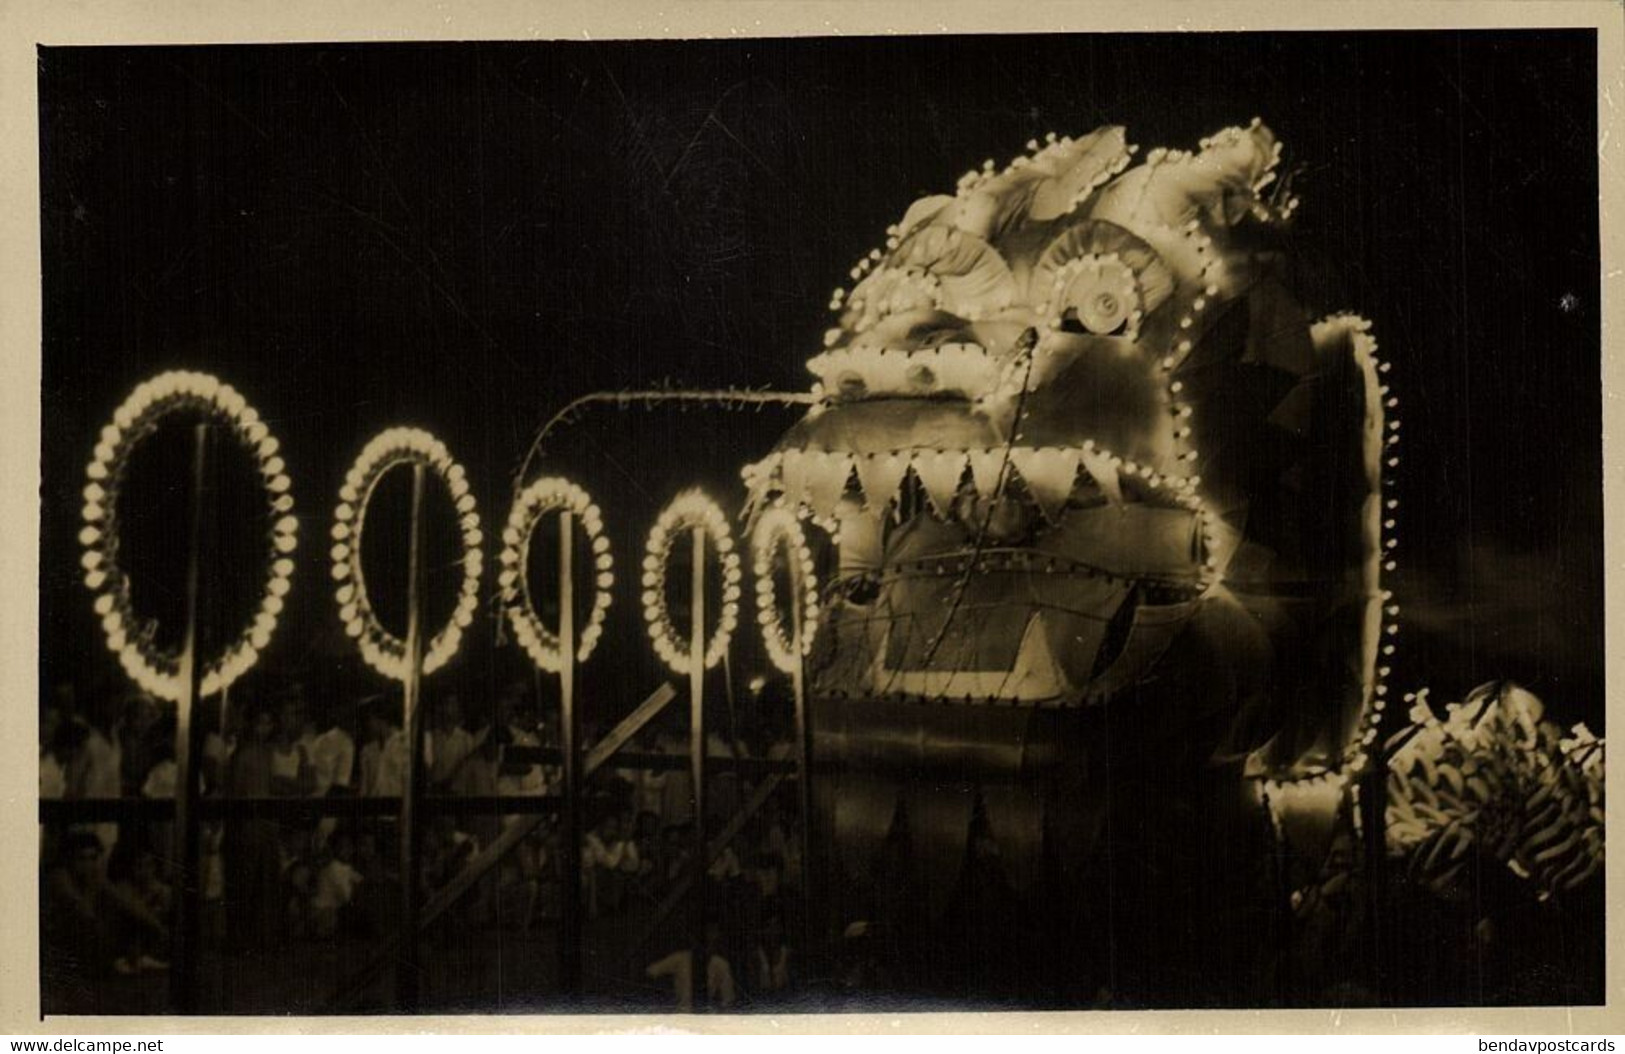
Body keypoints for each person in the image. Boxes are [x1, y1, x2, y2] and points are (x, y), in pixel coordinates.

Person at [223, 703, 281, 953]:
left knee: (264, 881)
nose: (264, 728)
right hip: (247, 823)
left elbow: (270, 785)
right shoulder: (242, 754)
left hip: (265, 822)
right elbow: (236, 790)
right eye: (261, 722)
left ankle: (261, 938)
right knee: (245, 881)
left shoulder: (267, 752)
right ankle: (239, 938)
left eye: (268, 723)